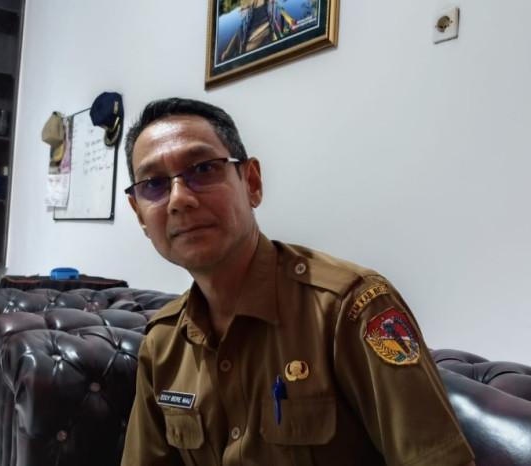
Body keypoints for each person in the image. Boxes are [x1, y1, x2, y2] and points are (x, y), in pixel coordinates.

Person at [120, 97, 475, 466]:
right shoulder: (162, 344)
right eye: (154, 184)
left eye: (204, 169)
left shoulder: (351, 309)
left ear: (252, 183)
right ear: (140, 215)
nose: (179, 199)